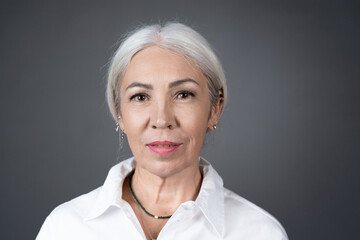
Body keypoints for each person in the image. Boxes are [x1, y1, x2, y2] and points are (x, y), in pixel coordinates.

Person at [36, 22, 288, 240]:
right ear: (119, 112)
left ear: (215, 108)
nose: (161, 119)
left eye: (183, 94)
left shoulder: (260, 233)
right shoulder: (64, 228)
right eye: (140, 96)